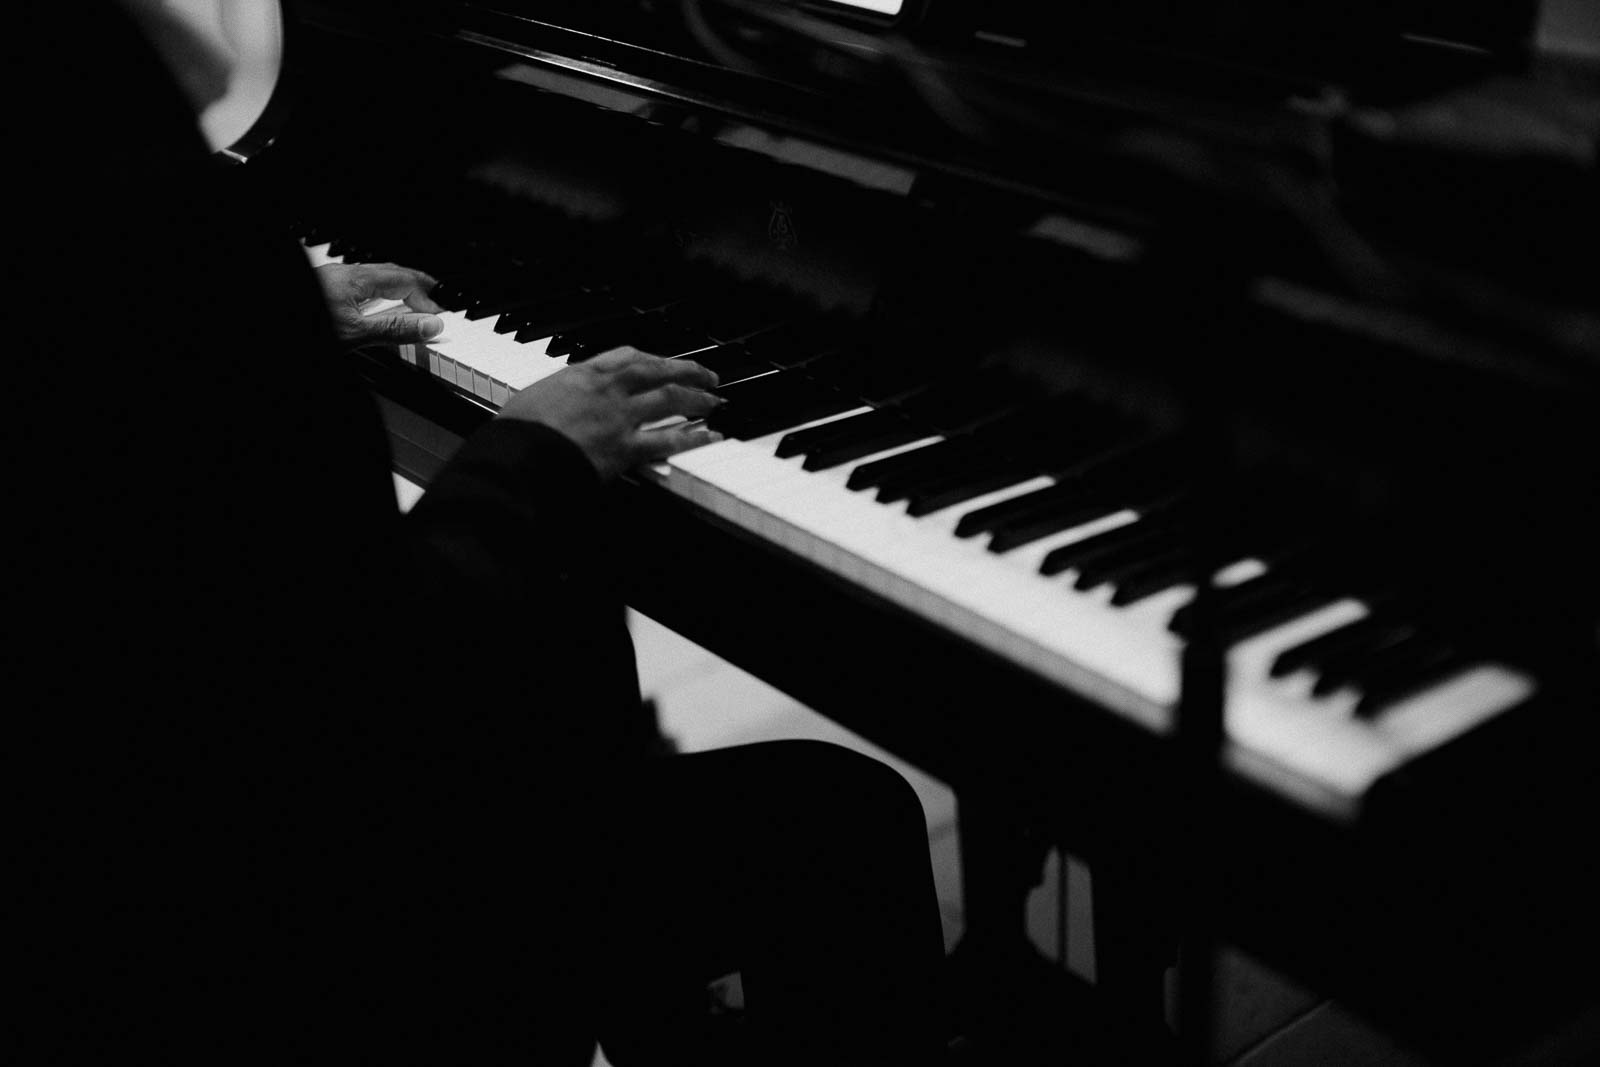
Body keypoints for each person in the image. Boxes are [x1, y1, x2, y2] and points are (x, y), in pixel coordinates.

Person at [16, 3, 948, 1063]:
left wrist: (246, 317)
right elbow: (349, 666)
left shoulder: (78, 239)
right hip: (286, 925)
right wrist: (536, 447)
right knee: (835, 816)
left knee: (558, 654)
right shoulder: (158, 223)